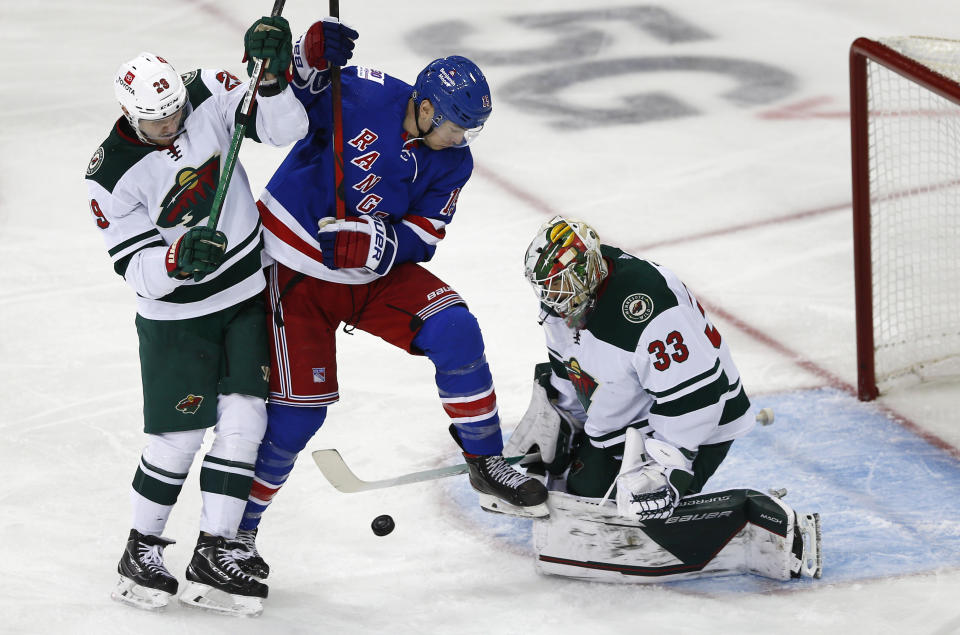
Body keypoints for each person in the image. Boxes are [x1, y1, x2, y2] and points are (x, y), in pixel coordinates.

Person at [233, 18, 548, 578]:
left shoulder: (455, 161)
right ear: (425, 107)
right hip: (296, 272)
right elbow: (291, 100)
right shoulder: (364, 90)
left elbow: (424, 237)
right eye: (455, 126)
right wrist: (309, 54)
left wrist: (376, 244)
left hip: (373, 274)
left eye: (470, 132)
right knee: (296, 418)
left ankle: (486, 459)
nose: (460, 140)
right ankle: (238, 535)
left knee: (455, 329)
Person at [84, 16, 308, 614]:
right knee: (178, 435)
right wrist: (177, 259)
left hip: (243, 296)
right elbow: (133, 268)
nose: (170, 125)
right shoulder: (109, 175)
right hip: (177, 317)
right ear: (130, 116)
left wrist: (276, 78)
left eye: (174, 112)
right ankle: (142, 547)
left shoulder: (208, 91)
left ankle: (215, 548)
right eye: (154, 120)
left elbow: (287, 131)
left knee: (244, 419)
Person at [505, 216, 822, 582]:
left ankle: (756, 522)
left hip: (695, 424)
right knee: (577, 501)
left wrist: (666, 464)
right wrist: (560, 425)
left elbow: (698, 397)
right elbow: (572, 372)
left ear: (589, 268)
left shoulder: (646, 305)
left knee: (639, 513)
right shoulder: (565, 306)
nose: (553, 296)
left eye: (561, 283)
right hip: (624, 424)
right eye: (547, 286)